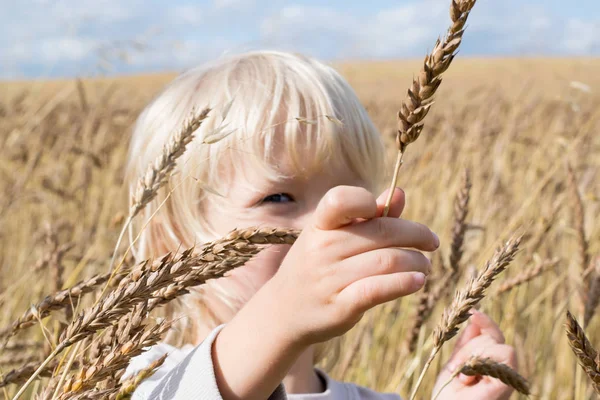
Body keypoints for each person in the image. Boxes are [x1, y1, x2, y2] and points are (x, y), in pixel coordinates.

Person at [123, 50, 517, 399]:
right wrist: (281, 315)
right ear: (171, 242)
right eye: (278, 198)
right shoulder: (143, 382)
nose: (323, 226)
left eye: (350, 194)